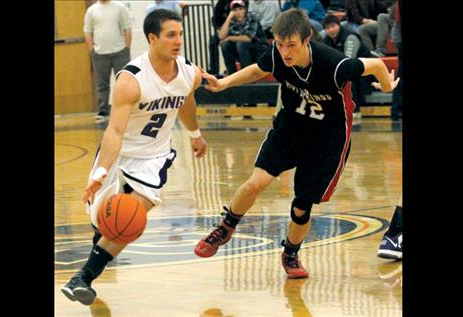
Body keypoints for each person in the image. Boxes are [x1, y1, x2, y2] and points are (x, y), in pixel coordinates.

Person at [193, 8, 398, 278]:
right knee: (256, 182)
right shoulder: (278, 56)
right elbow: (257, 70)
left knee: (302, 205)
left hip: (328, 138)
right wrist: (223, 83)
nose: (285, 51)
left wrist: (386, 87)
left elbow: (376, 65)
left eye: (291, 45)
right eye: (279, 44)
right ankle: (226, 227)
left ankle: (290, 253)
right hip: (290, 127)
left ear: (307, 39)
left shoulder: (334, 65)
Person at [62, 9, 208, 305]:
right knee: (104, 223)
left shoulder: (189, 73)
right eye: (171, 35)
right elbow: (114, 132)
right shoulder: (131, 79)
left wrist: (195, 134)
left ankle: (83, 278)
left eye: (180, 34)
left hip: (153, 157)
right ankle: (101, 245)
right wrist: (100, 174)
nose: (178, 41)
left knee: (132, 214)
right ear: (152, 38)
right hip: (119, 152)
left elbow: (186, 103)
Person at [84, 0, 132, 123]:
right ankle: (103, 111)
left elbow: (127, 27)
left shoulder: (120, 7)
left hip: (120, 52)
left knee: (124, 83)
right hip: (99, 54)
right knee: (102, 85)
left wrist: (126, 48)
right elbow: (87, 31)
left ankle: (128, 110)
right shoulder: (91, 10)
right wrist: (92, 50)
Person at [322, 13, 374, 122]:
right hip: (345, 71)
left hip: (365, 74)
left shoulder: (350, 37)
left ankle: (355, 111)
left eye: (333, 26)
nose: (331, 30)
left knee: (346, 77)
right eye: (327, 28)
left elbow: (349, 63)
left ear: (339, 25)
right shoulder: (326, 41)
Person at [219, 0, 268, 75]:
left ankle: (247, 76)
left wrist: (230, 38)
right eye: (235, 10)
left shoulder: (252, 17)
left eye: (240, 9)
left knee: (241, 44)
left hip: (260, 50)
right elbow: (221, 36)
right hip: (242, 51)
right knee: (225, 45)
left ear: (245, 10)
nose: (238, 12)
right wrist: (228, 18)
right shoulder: (232, 20)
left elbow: (248, 38)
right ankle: (232, 76)